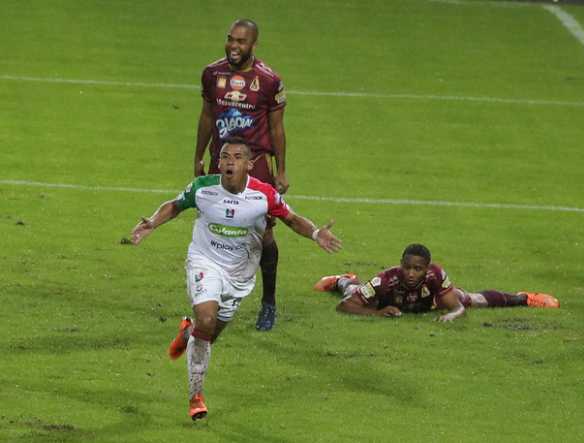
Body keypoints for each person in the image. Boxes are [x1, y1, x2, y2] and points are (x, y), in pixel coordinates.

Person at [131, 139, 341, 420]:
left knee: (209, 334)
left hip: (240, 274)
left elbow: (291, 219)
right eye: (225, 156)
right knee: (206, 319)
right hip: (205, 261)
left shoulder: (263, 195)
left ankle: (188, 332)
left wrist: (316, 233)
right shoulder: (203, 187)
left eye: (238, 156)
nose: (230, 161)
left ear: (249, 165)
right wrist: (152, 223)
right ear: (219, 162)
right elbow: (175, 205)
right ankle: (196, 395)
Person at [194, 18, 288, 331]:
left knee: (264, 235)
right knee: (217, 224)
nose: (234, 46)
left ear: (253, 45)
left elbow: (277, 127)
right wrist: (198, 157)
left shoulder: (269, 80)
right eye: (231, 40)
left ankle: (269, 303)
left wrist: (282, 170)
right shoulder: (212, 73)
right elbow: (207, 116)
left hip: (256, 164)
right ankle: (217, 290)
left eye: (241, 42)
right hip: (222, 162)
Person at [313, 243, 559, 321]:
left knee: (471, 299)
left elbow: (458, 308)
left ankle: (524, 298)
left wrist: (451, 315)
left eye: (417, 269)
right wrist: (377, 312)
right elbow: (344, 306)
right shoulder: (385, 280)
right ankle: (341, 279)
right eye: (407, 267)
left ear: (426, 269)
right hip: (385, 300)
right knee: (355, 290)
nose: (410, 273)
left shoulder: (435, 277)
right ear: (400, 264)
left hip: (428, 302)